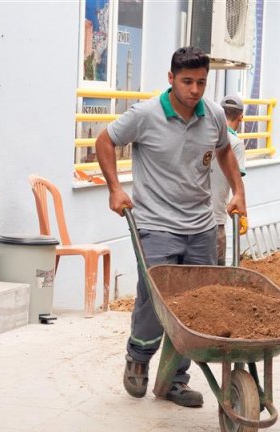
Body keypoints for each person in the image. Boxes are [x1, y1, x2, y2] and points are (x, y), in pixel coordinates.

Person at [95, 47, 246, 408]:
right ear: (171, 78)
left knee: (197, 303)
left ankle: (175, 379)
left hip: (200, 225)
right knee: (156, 299)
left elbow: (224, 149)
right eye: (187, 81)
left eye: (201, 83)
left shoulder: (212, 115)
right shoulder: (145, 115)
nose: (194, 90)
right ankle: (139, 358)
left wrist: (239, 191)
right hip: (154, 223)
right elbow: (105, 141)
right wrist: (115, 188)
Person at [211, 94, 247, 266]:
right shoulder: (235, 144)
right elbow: (236, 183)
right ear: (241, 117)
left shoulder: (207, 134)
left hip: (191, 218)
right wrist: (243, 215)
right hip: (215, 219)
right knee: (217, 277)